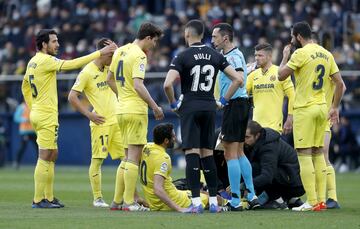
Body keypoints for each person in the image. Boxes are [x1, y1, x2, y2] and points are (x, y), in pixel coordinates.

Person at [22, 29, 117, 209]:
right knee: (44, 155)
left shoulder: (32, 62)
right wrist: (99, 53)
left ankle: (48, 197)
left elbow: (25, 86)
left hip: (39, 113)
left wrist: (32, 106)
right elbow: (71, 64)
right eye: (54, 41)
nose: (57, 44)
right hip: (46, 114)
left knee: (52, 154)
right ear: (44, 45)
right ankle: (38, 199)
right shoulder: (46, 60)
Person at [164, 20, 243, 213]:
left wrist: (174, 104)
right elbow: (238, 80)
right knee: (208, 153)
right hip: (209, 107)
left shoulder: (182, 56)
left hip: (190, 106)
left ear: (187, 34)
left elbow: (167, 84)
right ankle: (215, 203)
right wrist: (222, 101)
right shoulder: (215, 55)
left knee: (192, 152)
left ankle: (197, 203)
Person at [278, 21, 345, 211]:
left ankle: (312, 201)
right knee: (318, 153)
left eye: (292, 37)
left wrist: (284, 57)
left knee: (304, 154)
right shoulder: (326, 53)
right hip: (322, 108)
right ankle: (322, 201)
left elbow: (281, 75)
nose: (292, 40)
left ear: (298, 36)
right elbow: (339, 84)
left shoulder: (300, 53)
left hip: (305, 109)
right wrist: (334, 107)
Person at [107, 22, 164, 211]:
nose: (154, 45)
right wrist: (154, 106)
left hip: (121, 109)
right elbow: (139, 85)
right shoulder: (139, 55)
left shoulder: (120, 51)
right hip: (135, 110)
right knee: (134, 157)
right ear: (147, 38)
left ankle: (116, 201)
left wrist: (122, 96)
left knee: (126, 157)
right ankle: (130, 203)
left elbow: (109, 79)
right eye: (154, 41)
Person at [68, 38, 125, 208]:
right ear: (103, 53)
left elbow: (125, 57)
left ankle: (126, 197)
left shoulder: (111, 67)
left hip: (117, 121)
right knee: (98, 160)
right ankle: (98, 198)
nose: (113, 57)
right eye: (111, 53)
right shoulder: (87, 72)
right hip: (100, 123)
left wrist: (118, 48)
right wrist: (88, 114)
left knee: (127, 160)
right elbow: (72, 96)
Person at [210, 23, 259, 211]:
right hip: (241, 105)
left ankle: (236, 200)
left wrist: (223, 100)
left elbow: (238, 80)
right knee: (239, 152)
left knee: (229, 153)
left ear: (225, 38)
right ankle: (252, 195)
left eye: (215, 37)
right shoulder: (231, 56)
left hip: (235, 105)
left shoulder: (233, 56)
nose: (212, 40)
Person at [139, 123, 209, 212]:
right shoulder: (163, 158)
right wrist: (179, 209)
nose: (175, 139)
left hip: (155, 202)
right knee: (209, 197)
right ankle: (227, 204)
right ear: (166, 141)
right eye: (173, 137)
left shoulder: (147, 147)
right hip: (173, 200)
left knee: (198, 191)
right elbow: (157, 189)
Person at [244, 121, 305, 209]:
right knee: (253, 167)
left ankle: (277, 199)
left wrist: (246, 185)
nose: (244, 140)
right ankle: (289, 199)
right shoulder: (256, 142)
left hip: (294, 184)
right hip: (285, 176)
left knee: (255, 168)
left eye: (247, 137)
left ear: (257, 135)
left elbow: (267, 176)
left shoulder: (268, 147)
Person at [246, 43, 295, 134]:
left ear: (269, 56)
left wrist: (289, 118)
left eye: (260, 55)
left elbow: (292, 96)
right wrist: (244, 73)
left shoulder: (280, 73)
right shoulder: (253, 75)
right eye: (255, 55)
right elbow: (242, 93)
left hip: (274, 127)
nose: (256, 58)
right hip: (255, 128)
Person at [13, 101, 37, 169]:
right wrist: (24, 119)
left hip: (33, 131)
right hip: (24, 131)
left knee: (38, 148)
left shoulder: (34, 105)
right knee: (22, 147)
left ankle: (40, 164)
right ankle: (17, 162)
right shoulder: (21, 107)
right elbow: (16, 118)